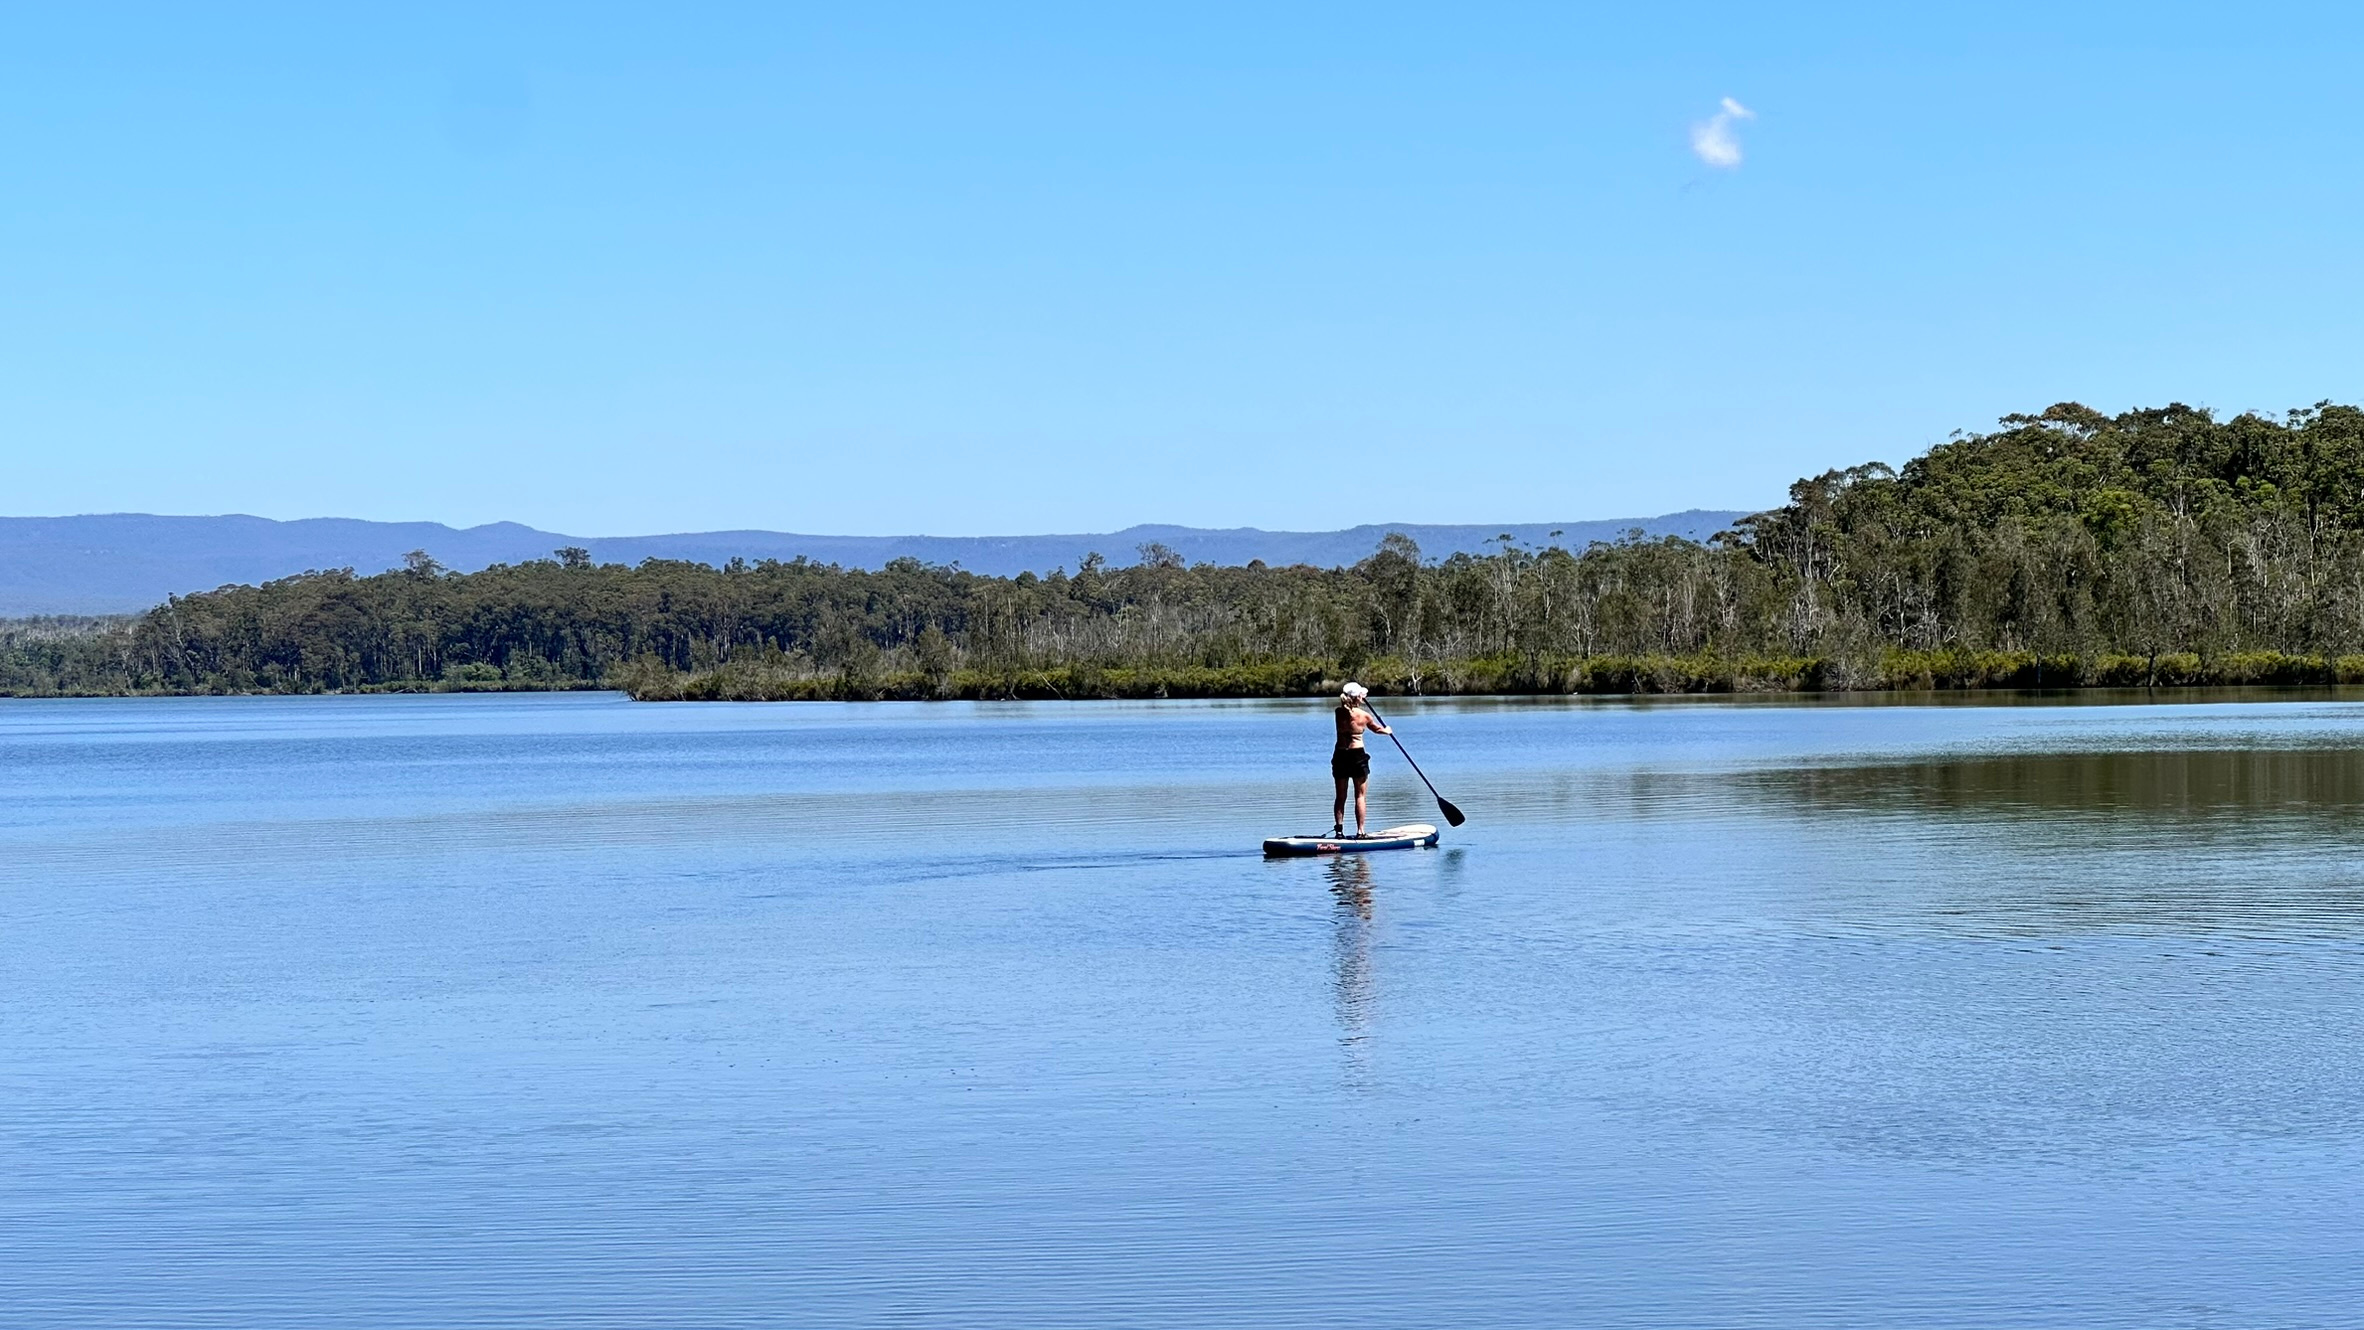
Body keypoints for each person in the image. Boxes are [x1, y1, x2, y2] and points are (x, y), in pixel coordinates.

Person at [1330, 682, 1391, 838]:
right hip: (1357, 755)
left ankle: (1339, 831)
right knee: (1360, 795)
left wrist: (1358, 698)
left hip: (1341, 754)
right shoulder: (1364, 716)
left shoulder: (1338, 713)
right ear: (1357, 697)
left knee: (1340, 796)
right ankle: (1361, 831)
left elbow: (1348, 710)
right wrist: (1387, 731)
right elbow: (1376, 729)